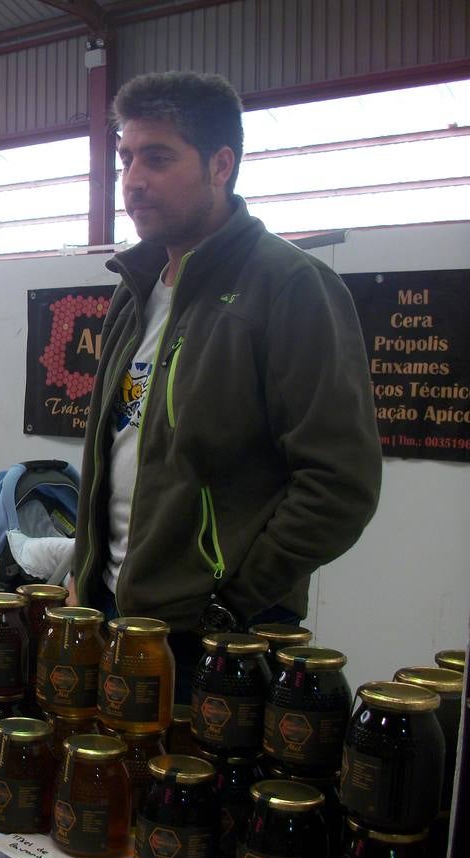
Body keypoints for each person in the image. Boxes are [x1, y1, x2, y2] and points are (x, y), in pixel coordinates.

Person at [71, 72, 382, 699]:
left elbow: (339, 484)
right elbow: (120, 451)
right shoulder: (134, 294)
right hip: (113, 613)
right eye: (126, 158)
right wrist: (87, 570)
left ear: (221, 164)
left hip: (218, 637)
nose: (132, 179)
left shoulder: (290, 285)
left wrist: (233, 604)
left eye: (158, 158)